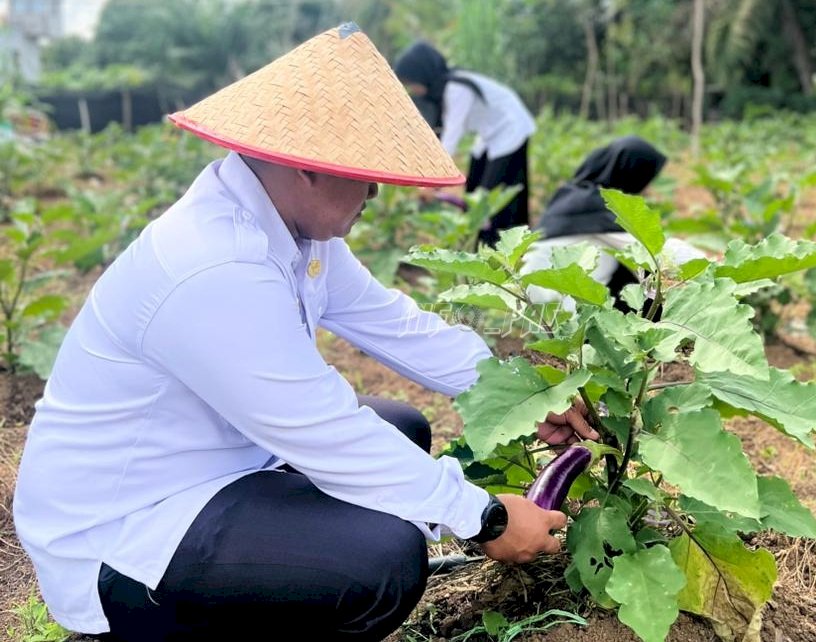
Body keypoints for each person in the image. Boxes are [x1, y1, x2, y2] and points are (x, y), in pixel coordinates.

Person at [12, 24, 597, 641]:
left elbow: (399, 326)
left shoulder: (291, 229)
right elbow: (320, 427)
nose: (376, 191)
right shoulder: (214, 264)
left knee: (403, 427)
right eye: (365, 173)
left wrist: (526, 397)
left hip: (212, 466)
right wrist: (485, 517)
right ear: (305, 167)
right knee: (381, 561)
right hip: (123, 532)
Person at [523, 136, 705, 311]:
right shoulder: (599, 205)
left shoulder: (576, 194)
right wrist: (711, 264)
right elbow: (656, 249)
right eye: (645, 179)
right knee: (654, 284)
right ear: (630, 173)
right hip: (570, 317)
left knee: (632, 269)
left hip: (537, 309)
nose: (648, 188)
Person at [394, 41, 536, 246]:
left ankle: (498, 246)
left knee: (492, 193)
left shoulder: (456, 88)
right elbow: (437, 134)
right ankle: (479, 242)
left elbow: (452, 136)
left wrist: (431, 184)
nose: (412, 89)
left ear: (423, 73)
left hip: (510, 127)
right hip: (490, 133)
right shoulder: (442, 90)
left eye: (412, 82)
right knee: (474, 188)